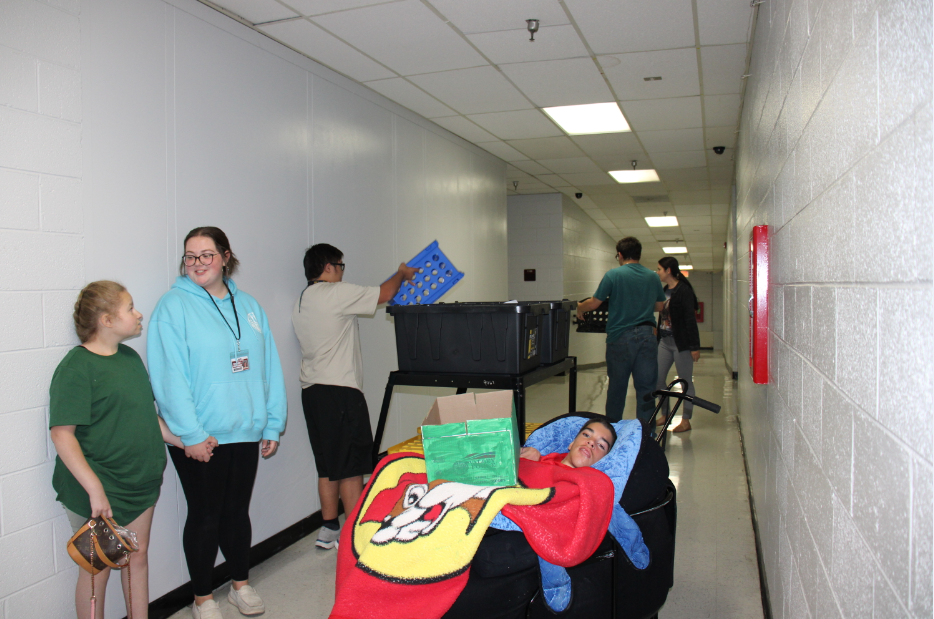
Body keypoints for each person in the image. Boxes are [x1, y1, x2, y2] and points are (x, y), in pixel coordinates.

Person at [147, 227, 287, 619]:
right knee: (205, 516)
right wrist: (189, 435)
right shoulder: (173, 307)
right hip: (200, 436)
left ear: (226, 257)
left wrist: (272, 423)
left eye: (206, 255)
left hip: (246, 428)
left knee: (236, 513)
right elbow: (168, 377)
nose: (197, 263)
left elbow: (269, 368)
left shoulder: (251, 307)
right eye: (190, 256)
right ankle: (203, 598)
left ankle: (240, 586)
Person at [49, 281, 186, 619]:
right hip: (98, 490)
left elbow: (145, 416)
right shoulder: (76, 367)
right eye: (130, 308)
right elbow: (62, 434)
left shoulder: (129, 358)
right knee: (98, 569)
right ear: (107, 320)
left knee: (136, 558)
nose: (139, 314)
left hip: (140, 484)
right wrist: (95, 490)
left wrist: (182, 441)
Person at [292, 244, 417, 550]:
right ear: (329, 268)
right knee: (350, 469)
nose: (343, 271)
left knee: (328, 466)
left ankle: (328, 528)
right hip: (341, 394)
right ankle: (356, 536)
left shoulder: (303, 300)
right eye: (341, 266)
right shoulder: (335, 294)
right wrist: (402, 273)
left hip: (312, 393)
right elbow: (384, 293)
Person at [576, 237, 666, 428]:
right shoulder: (652, 277)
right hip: (647, 336)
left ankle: (611, 434)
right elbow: (659, 306)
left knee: (617, 388)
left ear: (621, 254)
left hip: (620, 338)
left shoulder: (613, 275)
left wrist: (580, 307)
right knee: (646, 390)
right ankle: (644, 438)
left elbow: (594, 302)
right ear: (639, 255)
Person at [655, 256, 701, 432]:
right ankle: (665, 414)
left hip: (681, 344)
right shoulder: (665, 290)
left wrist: (694, 347)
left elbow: (690, 320)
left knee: (685, 382)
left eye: (659, 269)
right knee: (657, 379)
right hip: (664, 343)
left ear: (668, 271)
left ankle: (686, 420)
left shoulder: (684, 291)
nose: (657, 272)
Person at [519, 419, 617, 468]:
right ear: (572, 443)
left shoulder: (594, 486)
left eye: (601, 445)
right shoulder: (538, 460)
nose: (591, 442)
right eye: (587, 435)